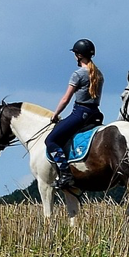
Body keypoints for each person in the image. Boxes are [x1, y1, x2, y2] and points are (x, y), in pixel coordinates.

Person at [45, 38, 104, 189]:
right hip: (95, 114)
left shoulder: (78, 74)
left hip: (80, 114)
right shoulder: (98, 74)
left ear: (78, 55)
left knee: (51, 141)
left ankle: (65, 174)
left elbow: (66, 99)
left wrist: (55, 114)